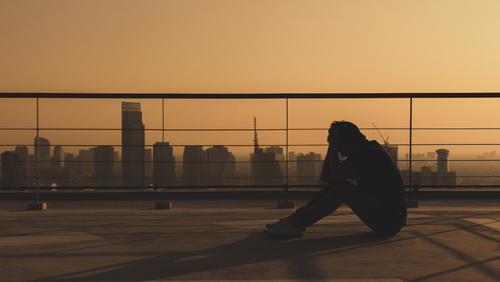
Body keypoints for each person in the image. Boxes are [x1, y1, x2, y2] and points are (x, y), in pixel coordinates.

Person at [264, 121, 407, 238]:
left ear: (350, 141)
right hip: (386, 218)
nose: (341, 153)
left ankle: (296, 225)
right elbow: (327, 178)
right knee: (339, 185)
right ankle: (293, 221)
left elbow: (334, 177)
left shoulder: (368, 154)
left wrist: (333, 146)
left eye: (340, 147)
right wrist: (332, 146)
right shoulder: (362, 152)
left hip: (390, 222)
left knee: (342, 189)